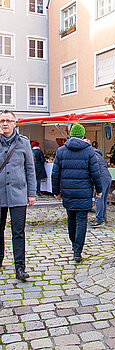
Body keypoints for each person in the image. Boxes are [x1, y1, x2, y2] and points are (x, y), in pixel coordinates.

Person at [52, 123, 102, 263]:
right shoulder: (89, 151)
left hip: (68, 191)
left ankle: (74, 244)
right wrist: (99, 190)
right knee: (81, 221)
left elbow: (55, 174)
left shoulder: (61, 151)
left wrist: (56, 191)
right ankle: (77, 251)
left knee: (71, 219)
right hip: (84, 191)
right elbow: (95, 173)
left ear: (70, 135)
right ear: (82, 135)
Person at [0, 110, 36, 280]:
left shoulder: (23, 143)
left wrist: (31, 193)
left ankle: (20, 267)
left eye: (8, 121)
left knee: (18, 232)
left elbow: (30, 169)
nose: (5, 124)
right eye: (2, 121)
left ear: (15, 123)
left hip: (18, 193)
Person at [91, 144, 112, 227]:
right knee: (103, 199)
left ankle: (99, 219)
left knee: (99, 198)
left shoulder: (92, 156)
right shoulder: (98, 155)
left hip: (101, 178)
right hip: (107, 177)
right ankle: (102, 218)